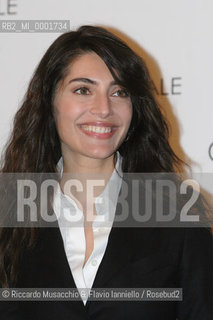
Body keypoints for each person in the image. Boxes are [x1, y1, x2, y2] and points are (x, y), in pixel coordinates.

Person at [0, 25, 213, 320]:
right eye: (83, 90)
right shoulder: (8, 215)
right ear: (50, 102)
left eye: (119, 92)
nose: (103, 108)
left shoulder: (180, 213)